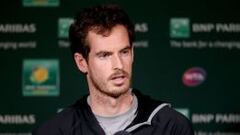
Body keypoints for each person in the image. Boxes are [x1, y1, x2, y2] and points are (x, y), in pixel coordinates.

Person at [33, 3, 194, 135]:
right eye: (104, 55)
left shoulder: (171, 126)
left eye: (124, 52)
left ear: (132, 53)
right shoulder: (55, 131)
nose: (118, 64)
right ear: (82, 62)